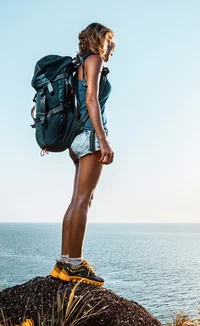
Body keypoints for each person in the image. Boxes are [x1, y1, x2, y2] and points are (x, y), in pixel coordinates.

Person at [49, 22, 116, 287]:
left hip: (77, 139)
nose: (112, 49)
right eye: (111, 43)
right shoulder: (95, 60)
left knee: (77, 199)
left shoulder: (79, 63)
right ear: (101, 40)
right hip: (90, 137)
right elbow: (91, 100)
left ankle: (65, 261)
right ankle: (75, 264)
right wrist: (103, 139)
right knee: (83, 200)